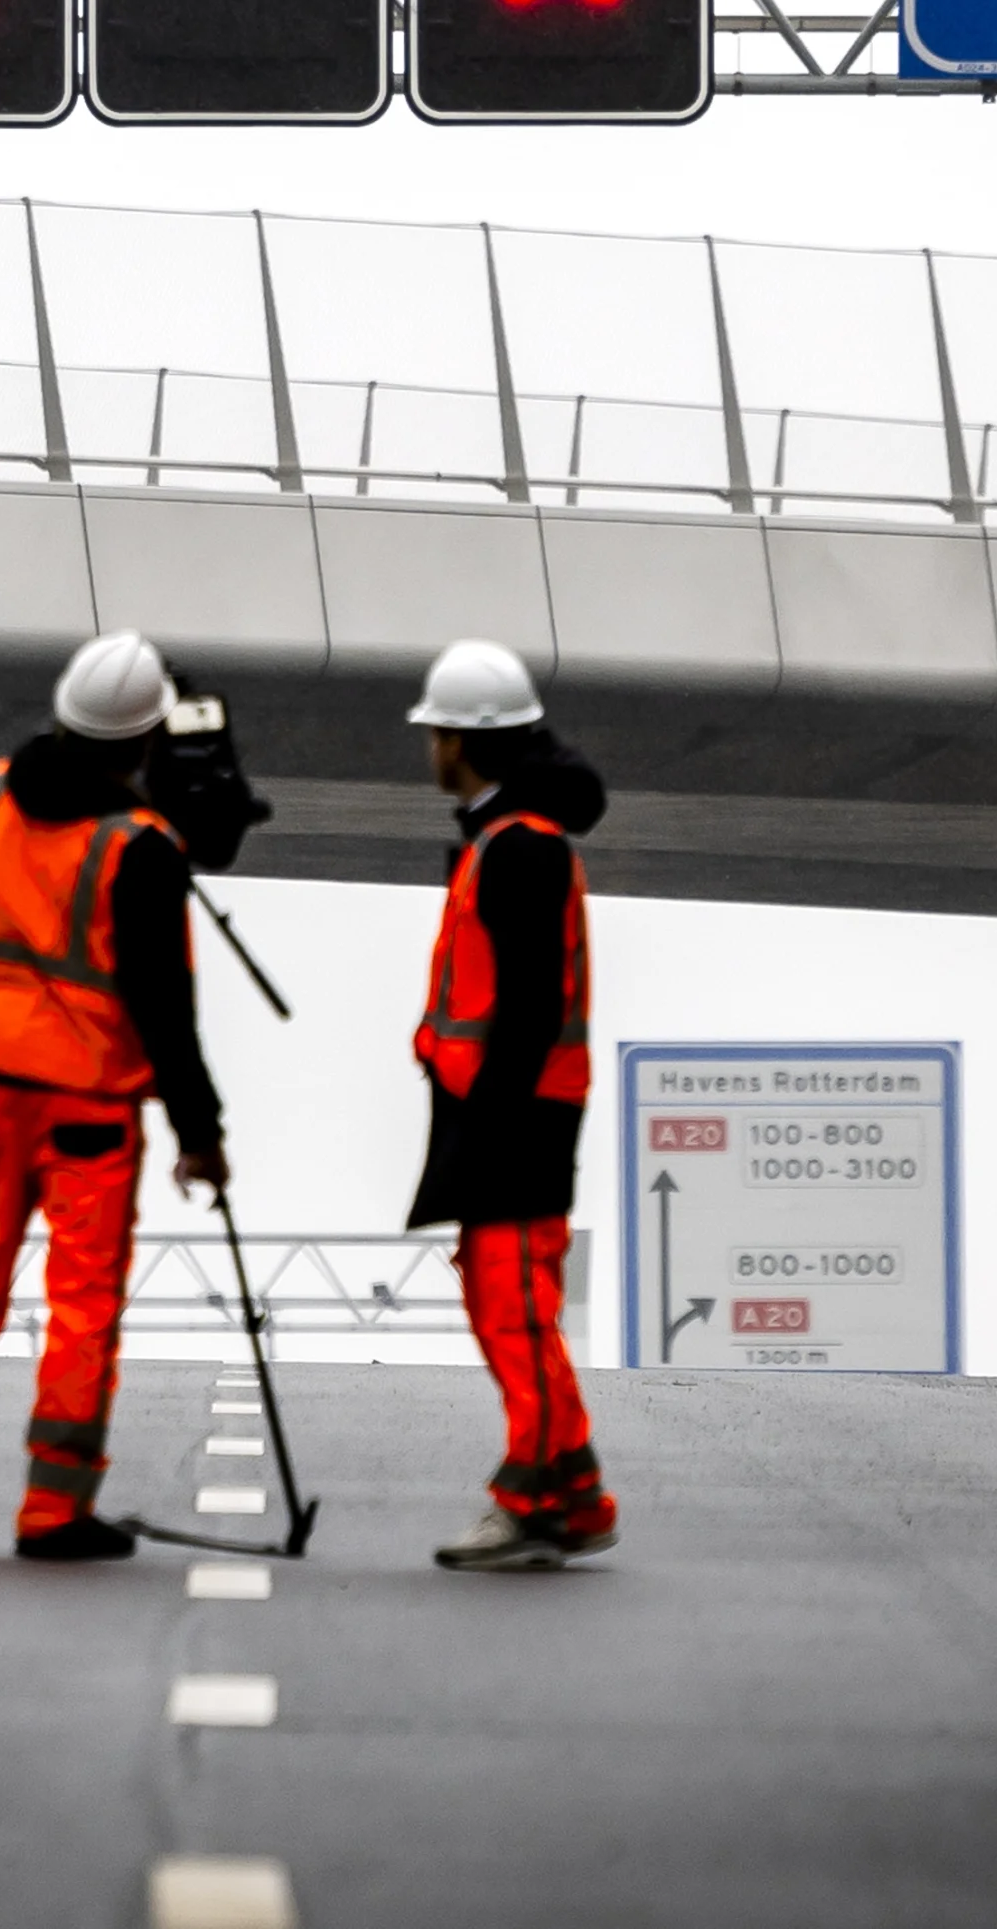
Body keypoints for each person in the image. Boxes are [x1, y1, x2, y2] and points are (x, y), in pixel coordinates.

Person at [0, 629, 229, 1562]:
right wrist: (200, 1133)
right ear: (146, 740)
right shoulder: (142, 846)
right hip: (87, 1111)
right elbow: (167, 1010)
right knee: (80, 1308)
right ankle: (52, 1511)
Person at [404, 637, 620, 1572]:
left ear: (464, 740)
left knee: (512, 1307)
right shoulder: (509, 838)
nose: (429, 747)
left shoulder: (519, 847)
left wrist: (486, 1123)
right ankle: (574, 1492)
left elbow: (526, 1010)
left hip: (514, 1114)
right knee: (506, 1302)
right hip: (505, 1109)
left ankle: (530, 1494)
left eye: (436, 731)